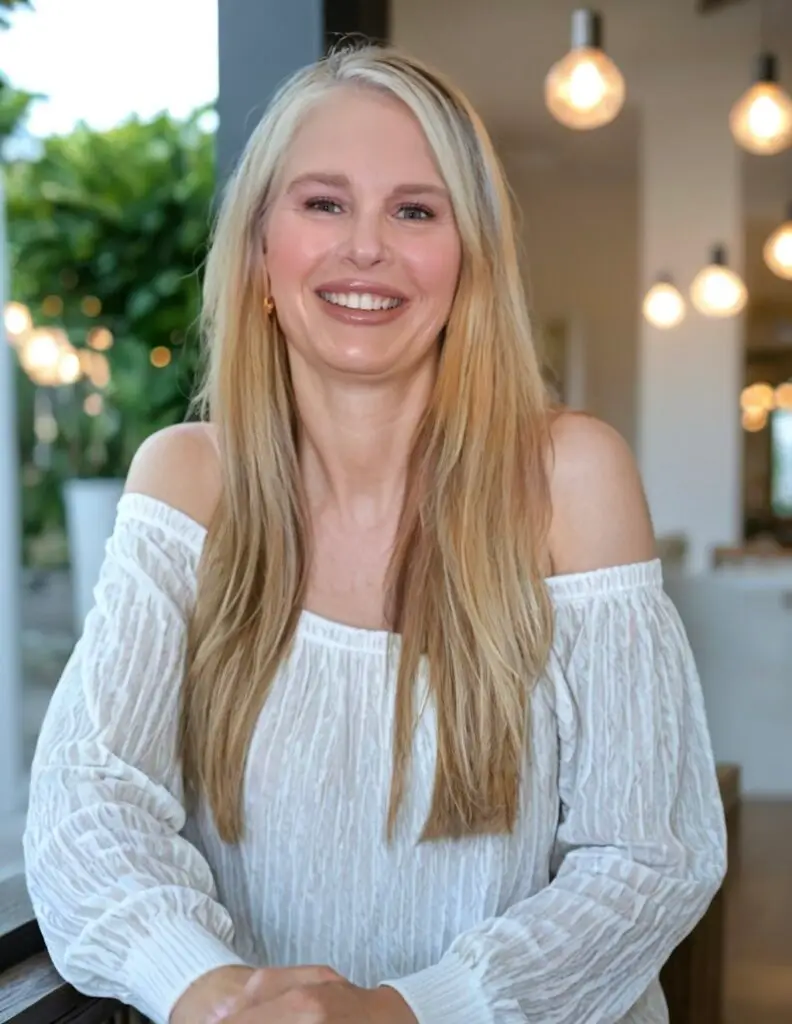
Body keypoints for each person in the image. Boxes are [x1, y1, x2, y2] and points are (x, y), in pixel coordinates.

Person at [24, 44, 727, 1024]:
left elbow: (648, 857)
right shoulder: (187, 480)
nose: (366, 247)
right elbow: (89, 796)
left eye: (415, 209)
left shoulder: (571, 475)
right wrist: (208, 991)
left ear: (469, 257)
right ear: (262, 248)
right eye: (323, 203)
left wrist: (404, 1010)